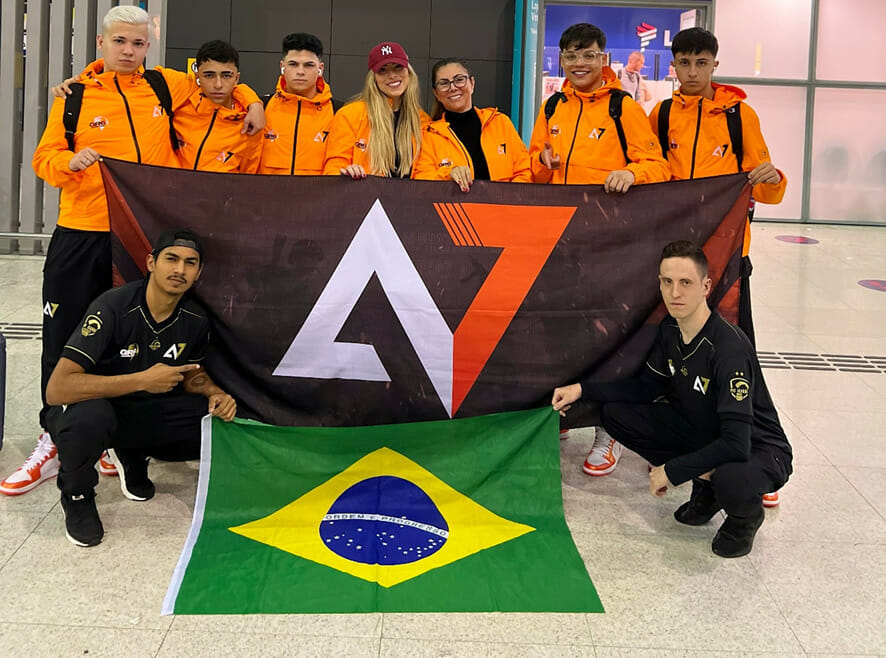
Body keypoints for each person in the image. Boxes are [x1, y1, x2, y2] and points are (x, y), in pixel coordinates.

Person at [2, 6, 260, 497]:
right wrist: (69, 162)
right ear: (102, 43)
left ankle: (110, 435)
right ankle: (53, 436)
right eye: (120, 41)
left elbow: (219, 84)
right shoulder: (76, 96)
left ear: (148, 46)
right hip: (83, 231)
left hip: (140, 235)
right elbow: (43, 158)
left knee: (127, 335)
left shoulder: (165, 85)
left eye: (138, 43)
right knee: (64, 336)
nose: (129, 50)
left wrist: (253, 103)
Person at [552, 240, 792, 558]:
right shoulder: (670, 330)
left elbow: (737, 444)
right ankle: (707, 490)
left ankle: (743, 520)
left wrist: (673, 470)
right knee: (615, 414)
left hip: (758, 447)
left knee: (733, 478)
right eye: (667, 282)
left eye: (685, 283)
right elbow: (645, 389)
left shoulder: (728, 348)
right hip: (707, 431)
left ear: (705, 287)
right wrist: (582, 389)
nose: (675, 292)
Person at [45, 229, 236, 547]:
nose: (180, 269)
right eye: (171, 259)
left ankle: (133, 452)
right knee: (88, 419)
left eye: (190, 263)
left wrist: (213, 393)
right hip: (95, 408)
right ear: (151, 263)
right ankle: (77, 495)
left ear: (199, 272)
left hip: (144, 409)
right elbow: (57, 388)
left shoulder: (195, 318)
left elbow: (192, 373)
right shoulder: (112, 307)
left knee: (209, 419)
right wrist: (142, 380)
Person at [648, 28, 785, 348]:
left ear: (715, 65)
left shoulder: (740, 116)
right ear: (673, 66)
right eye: (684, 63)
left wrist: (774, 179)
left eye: (701, 63)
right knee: (669, 328)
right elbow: (650, 171)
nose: (692, 72)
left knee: (728, 332)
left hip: (727, 248)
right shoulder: (661, 114)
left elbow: (763, 187)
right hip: (674, 244)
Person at [528, 23, 670, 192]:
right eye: (571, 57)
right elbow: (534, 174)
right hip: (560, 207)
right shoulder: (551, 107)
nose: (579, 63)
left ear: (603, 60)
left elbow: (658, 167)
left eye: (589, 56)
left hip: (607, 208)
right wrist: (542, 161)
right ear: (562, 61)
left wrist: (632, 174)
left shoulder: (623, 108)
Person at [412, 58, 530, 191]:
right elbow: (421, 181)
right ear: (436, 93)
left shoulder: (500, 123)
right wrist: (448, 174)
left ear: (472, 83)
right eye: (444, 83)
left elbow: (524, 171)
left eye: (459, 80)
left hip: (504, 204)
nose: (453, 88)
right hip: (453, 205)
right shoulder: (428, 135)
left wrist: (507, 198)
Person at [323, 41, 429, 179]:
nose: (392, 75)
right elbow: (333, 168)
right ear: (373, 78)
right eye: (382, 70)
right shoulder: (349, 115)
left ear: (408, 72)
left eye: (398, 67)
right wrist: (345, 173)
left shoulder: (423, 121)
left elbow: (428, 172)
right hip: (363, 193)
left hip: (410, 194)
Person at [175, 40, 263, 173]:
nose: (218, 85)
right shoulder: (180, 105)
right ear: (197, 76)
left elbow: (248, 178)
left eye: (226, 76)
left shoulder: (249, 125)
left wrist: (255, 104)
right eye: (209, 75)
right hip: (175, 186)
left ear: (236, 78)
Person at [258, 33, 337, 176]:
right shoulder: (260, 107)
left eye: (308, 65)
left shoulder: (338, 112)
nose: (300, 72)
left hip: (319, 191)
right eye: (293, 64)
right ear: (282, 66)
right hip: (266, 190)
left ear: (320, 69)